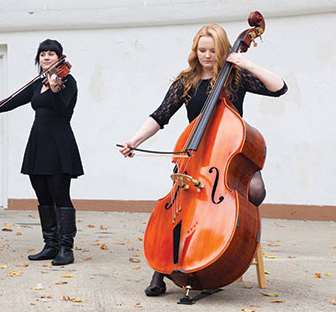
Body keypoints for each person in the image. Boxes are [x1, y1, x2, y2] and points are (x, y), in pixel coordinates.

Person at [119, 23, 287, 296]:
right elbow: (160, 116)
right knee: (179, 208)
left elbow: (278, 88)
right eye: (201, 50)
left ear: (222, 50)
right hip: (194, 157)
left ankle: (235, 244)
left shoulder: (235, 77)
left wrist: (246, 63)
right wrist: (134, 141)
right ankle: (161, 269)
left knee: (256, 191)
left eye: (212, 50)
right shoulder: (186, 82)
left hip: (229, 155)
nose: (206, 55)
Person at [0, 39, 84, 266]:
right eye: (43, 54)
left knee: (60, 195)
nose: (46, 57)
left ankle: (66, 248)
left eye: (51, 54)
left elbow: (61, 108)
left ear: (60, 57)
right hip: (38, 143)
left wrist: (55, 87)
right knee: (42, 194)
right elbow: (16, 99)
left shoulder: (68, 82)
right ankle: (51, 244)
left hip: (59, 142)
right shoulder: (36, 83)